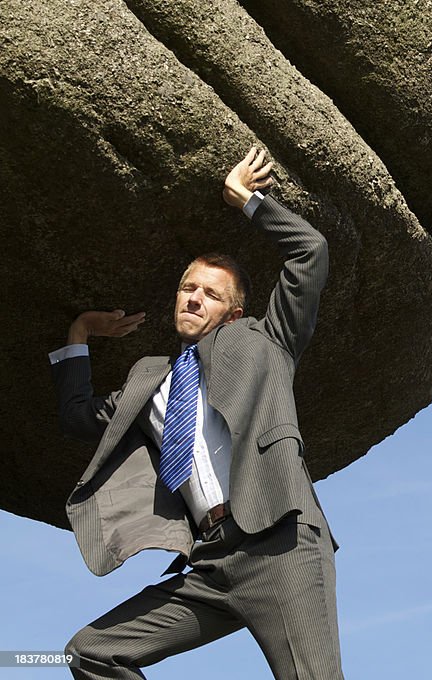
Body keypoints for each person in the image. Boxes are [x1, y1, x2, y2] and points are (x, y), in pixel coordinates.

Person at [49, 148, 344, 679]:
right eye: (188, 288)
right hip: (208, 562)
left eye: (210, 294)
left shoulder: (266, 339)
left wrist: (245, 199)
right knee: (91, 652)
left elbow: (311, 253)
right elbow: (76, 418)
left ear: (234, 312)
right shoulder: (148, 379)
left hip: (280, 543)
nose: (194, 299)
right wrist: (79, 334)